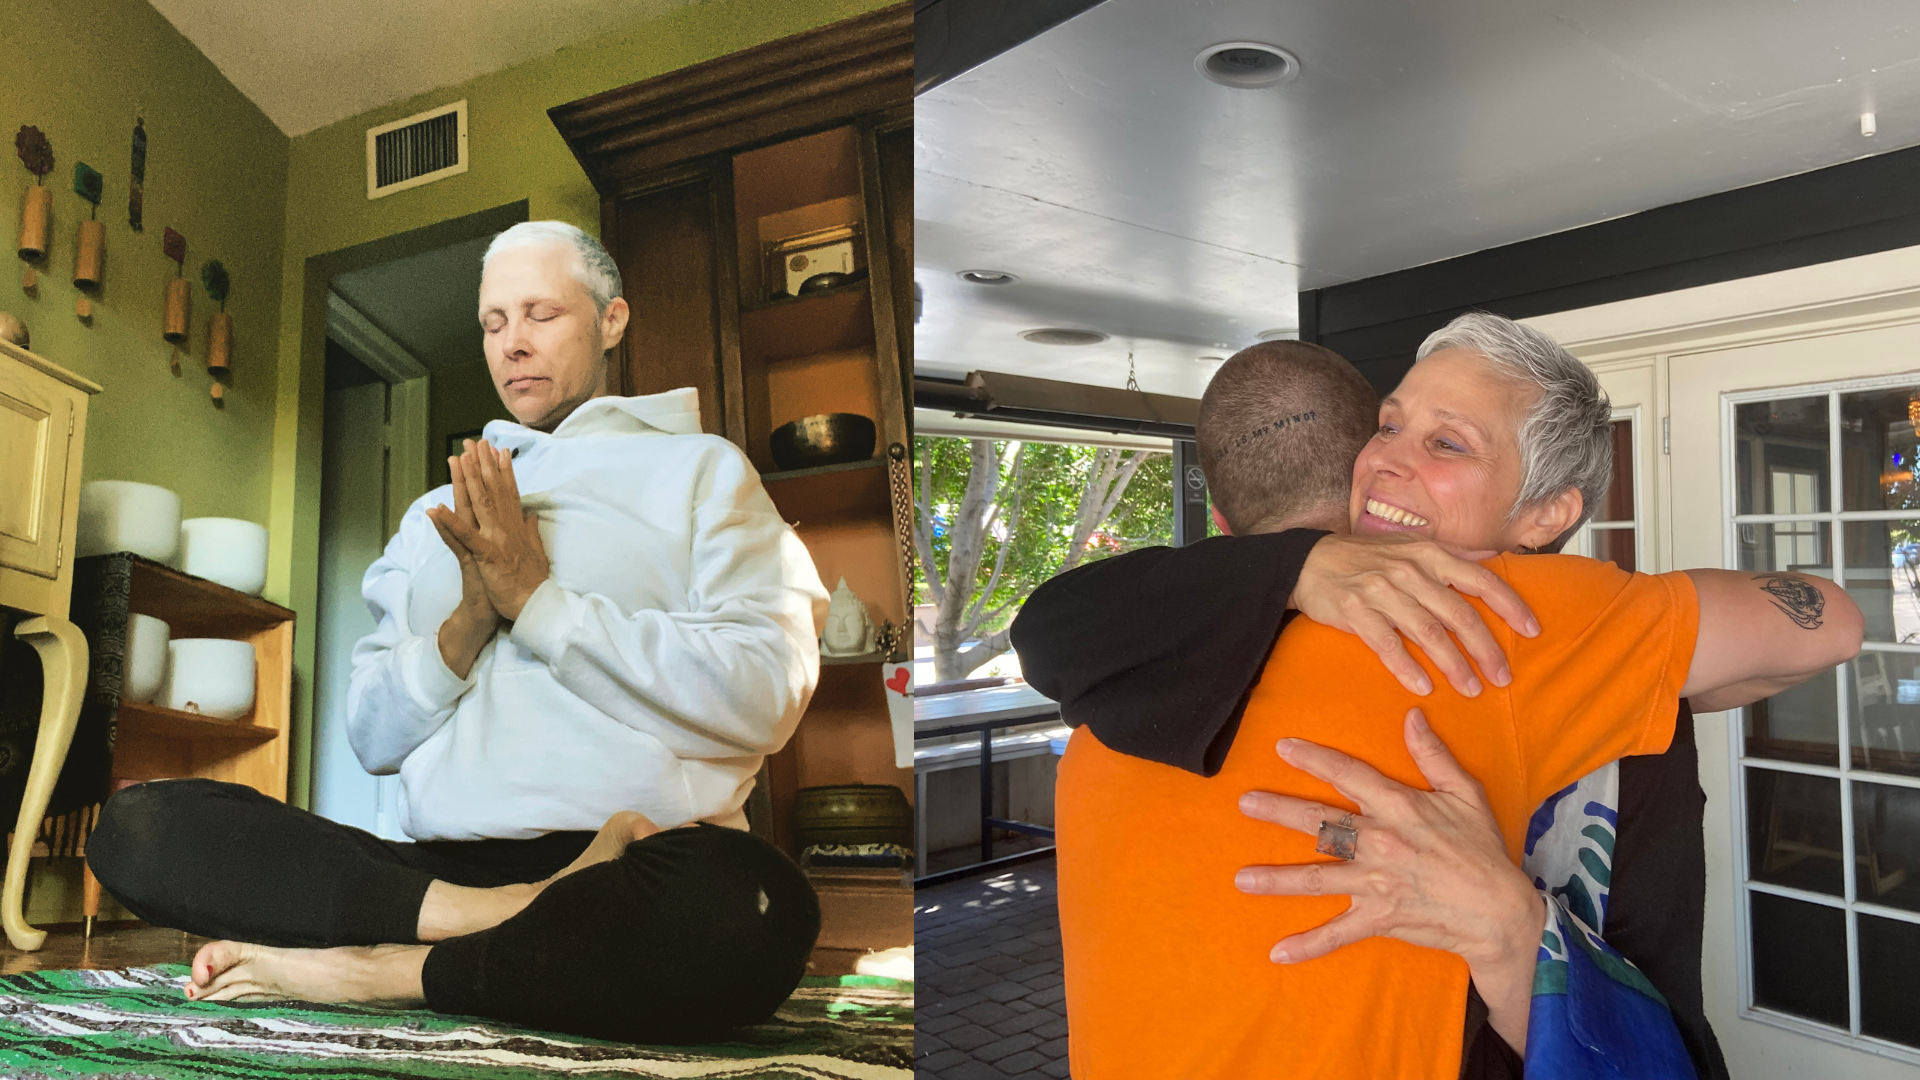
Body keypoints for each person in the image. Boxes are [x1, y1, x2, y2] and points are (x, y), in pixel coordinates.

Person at [1010, 315, 1863, 1079]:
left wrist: (1641, 688)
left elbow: (1044, 624)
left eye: (1447, 444)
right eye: (1388, 426)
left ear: (1546, 514)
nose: (1387, 457)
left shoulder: (1124, 665)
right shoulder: (1512, 622)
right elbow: (1826, 624)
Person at [85, 221, 830, 1044]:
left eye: (541, 313)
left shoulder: (703, 470)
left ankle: (380, 971)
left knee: (760, 907)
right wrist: (471, 620)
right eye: (493, 323)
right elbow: (372, 738)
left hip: (640, 870)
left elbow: (767, 693)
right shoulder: (429, 517)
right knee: (136, 828)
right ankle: (498, 922)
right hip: (434, 879)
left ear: (612, 320)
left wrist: (537, 602)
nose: (514, 344)